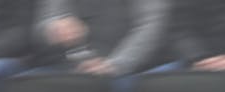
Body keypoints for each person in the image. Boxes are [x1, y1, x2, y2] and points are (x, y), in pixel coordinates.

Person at [31, 0, 172, 77]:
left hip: (125, 68)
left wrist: (114, 65)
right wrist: (53, 29)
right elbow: (46, 21)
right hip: (66, 64)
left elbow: (150, 26)